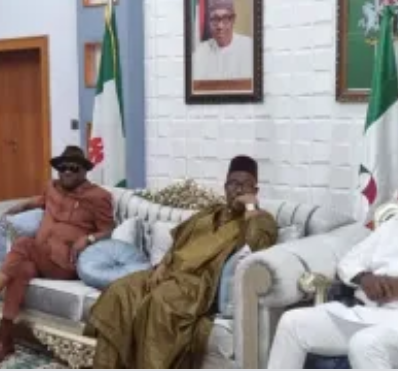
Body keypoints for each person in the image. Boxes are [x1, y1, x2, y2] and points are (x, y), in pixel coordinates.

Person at [86, 155, 278, 368]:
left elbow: (258, 245)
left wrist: (251, 207)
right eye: (233, 183)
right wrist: (163, 265)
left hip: (196, 285)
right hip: (169, 273)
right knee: (119, 291)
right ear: (225, 187)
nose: (239, 190)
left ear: (255, 190)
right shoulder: (209, 213)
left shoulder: (261, 220)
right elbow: (178, 240)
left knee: (159, 303)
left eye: (245, 185)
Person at [268, 160, 398, 369]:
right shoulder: (397, 223)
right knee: (292, 322)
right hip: (370, 313)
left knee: (366, 343)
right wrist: (365, 278)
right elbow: (349, 262)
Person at [0, 145, 114, 364]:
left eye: (73, 168)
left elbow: (109, 230)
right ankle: (4, 339)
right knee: (20, 270)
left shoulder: (98, 196)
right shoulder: (52, 188)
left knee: (24, 243)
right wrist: (19, 206)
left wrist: (88, 239)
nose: (67, 172)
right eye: (63, 168)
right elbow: (38, 201)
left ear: (84, 171)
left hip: (65, 263)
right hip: (42, 257)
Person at [193, 0, 253, 81]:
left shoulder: (249, 47)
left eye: (225, 18)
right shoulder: (200, 51)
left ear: (233, 19)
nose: (220, 26)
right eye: (215, 19)